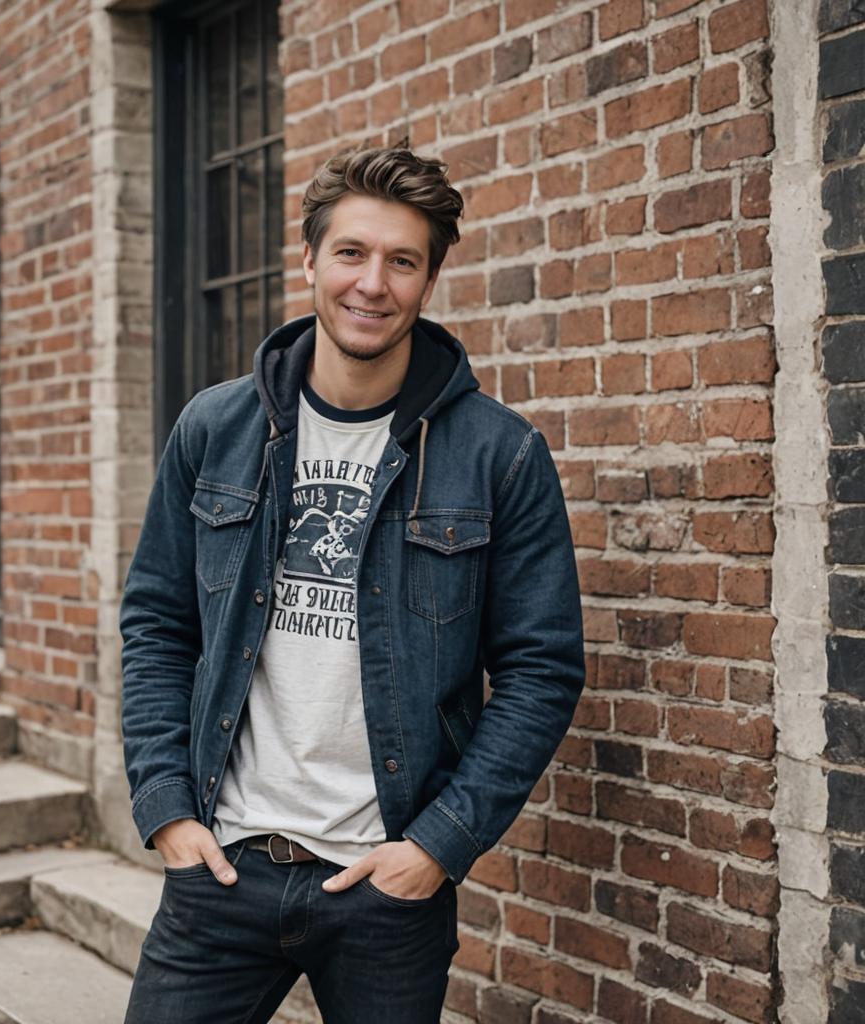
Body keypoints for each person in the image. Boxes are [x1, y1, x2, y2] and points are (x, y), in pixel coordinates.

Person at [119, 144, 585, 1024]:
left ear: (429, 280)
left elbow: (541, 670)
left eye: (402, 261)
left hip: (385, 890)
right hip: (222, 864)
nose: (373, 283)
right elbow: (157, 625)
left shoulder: (499, 455)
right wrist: (167, 809)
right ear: (309, 261)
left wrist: (436, 849)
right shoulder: (214, 429)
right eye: (351, 253)